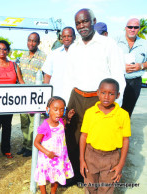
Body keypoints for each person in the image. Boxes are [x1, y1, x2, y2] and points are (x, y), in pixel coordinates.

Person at [63, 8, 126, 185]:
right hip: (76, 96)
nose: (81, 26)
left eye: (85, 21)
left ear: (93, 21)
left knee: (94, 141)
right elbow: (68, 77)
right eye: (78, 23)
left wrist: (115, 106)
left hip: (97, 100)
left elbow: (118, 77)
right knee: (73, 138)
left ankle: (90, 176)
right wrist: (66, 104)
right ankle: (75, 174)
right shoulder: (73, 48)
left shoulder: (108, 44)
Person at [79, 78, 131, 193]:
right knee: (90, 187)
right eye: (103, 93)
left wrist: (121, 164)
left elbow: (125, 140)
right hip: (91, 155)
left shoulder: (123, 115)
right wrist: (82, 159)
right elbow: (83, 136)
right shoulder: (90, 112)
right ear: (97, 93)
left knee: (106, 188)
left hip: (111, 158)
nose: (106, 97)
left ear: (117, 95)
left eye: (111, 94)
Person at [0, 40, 24, 163]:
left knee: (7, 127)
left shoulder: (14, 66)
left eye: (4, 49)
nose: (2, 51)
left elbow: (21, 82)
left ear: (8, 51)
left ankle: (6, 150)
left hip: (9, 103)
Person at [34, 96, 75, 194]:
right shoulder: (45, 126)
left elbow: (63, 126)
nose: (59, 113)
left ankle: (53, 192)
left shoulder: (61, 121)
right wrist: (47, 153)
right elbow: (36, 143)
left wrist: (68, 117)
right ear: (48, 110)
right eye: (55, 110)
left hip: (59, 156)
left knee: (56, 175)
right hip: (47, 157)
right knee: (43, 176)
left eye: (62, 110)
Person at [17, 32, 47, 157]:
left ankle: (30, 147)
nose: (31, 43)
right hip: (23, 94)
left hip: (35, 95)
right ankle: (25, 145)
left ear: (38, 42)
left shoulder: (44, 57)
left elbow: (46, 76)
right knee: (24, 122)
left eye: (34, 41)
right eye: (29, 40)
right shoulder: (23, 56)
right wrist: (22, 82)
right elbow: (18, 70)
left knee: (33, 122)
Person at [117, 18, 147, 117]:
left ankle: (123, 131)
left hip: (135, 81)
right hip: (117, 78)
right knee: (114, 108)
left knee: (127, 111)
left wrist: (141, 66)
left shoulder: (144, 44)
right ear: (126, 28)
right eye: (130, 27)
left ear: (139, 29)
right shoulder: (116, 41)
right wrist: (121, 67)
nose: (132, 29)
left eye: (136, 27)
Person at [43, 27, 76, 97]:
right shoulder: (53, 54)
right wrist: (46, 94)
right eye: (64, 36)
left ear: (74, 37)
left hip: (73, 97)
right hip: (55, 96)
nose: (66, 39)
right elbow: (47, 76)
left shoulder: (80, 54)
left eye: (69, 36)